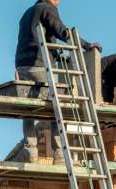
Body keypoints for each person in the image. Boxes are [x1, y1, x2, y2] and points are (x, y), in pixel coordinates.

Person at [14, 0, 101, 164]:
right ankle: (60, 154)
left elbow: (36, 39)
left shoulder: (27, 13)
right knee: (57, 107)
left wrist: (56, 55)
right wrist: (87, 45)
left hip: (23, 65)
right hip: (40, 66)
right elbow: (62, 32)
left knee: (29, 107)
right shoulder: (47, 8)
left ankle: (30, 150)